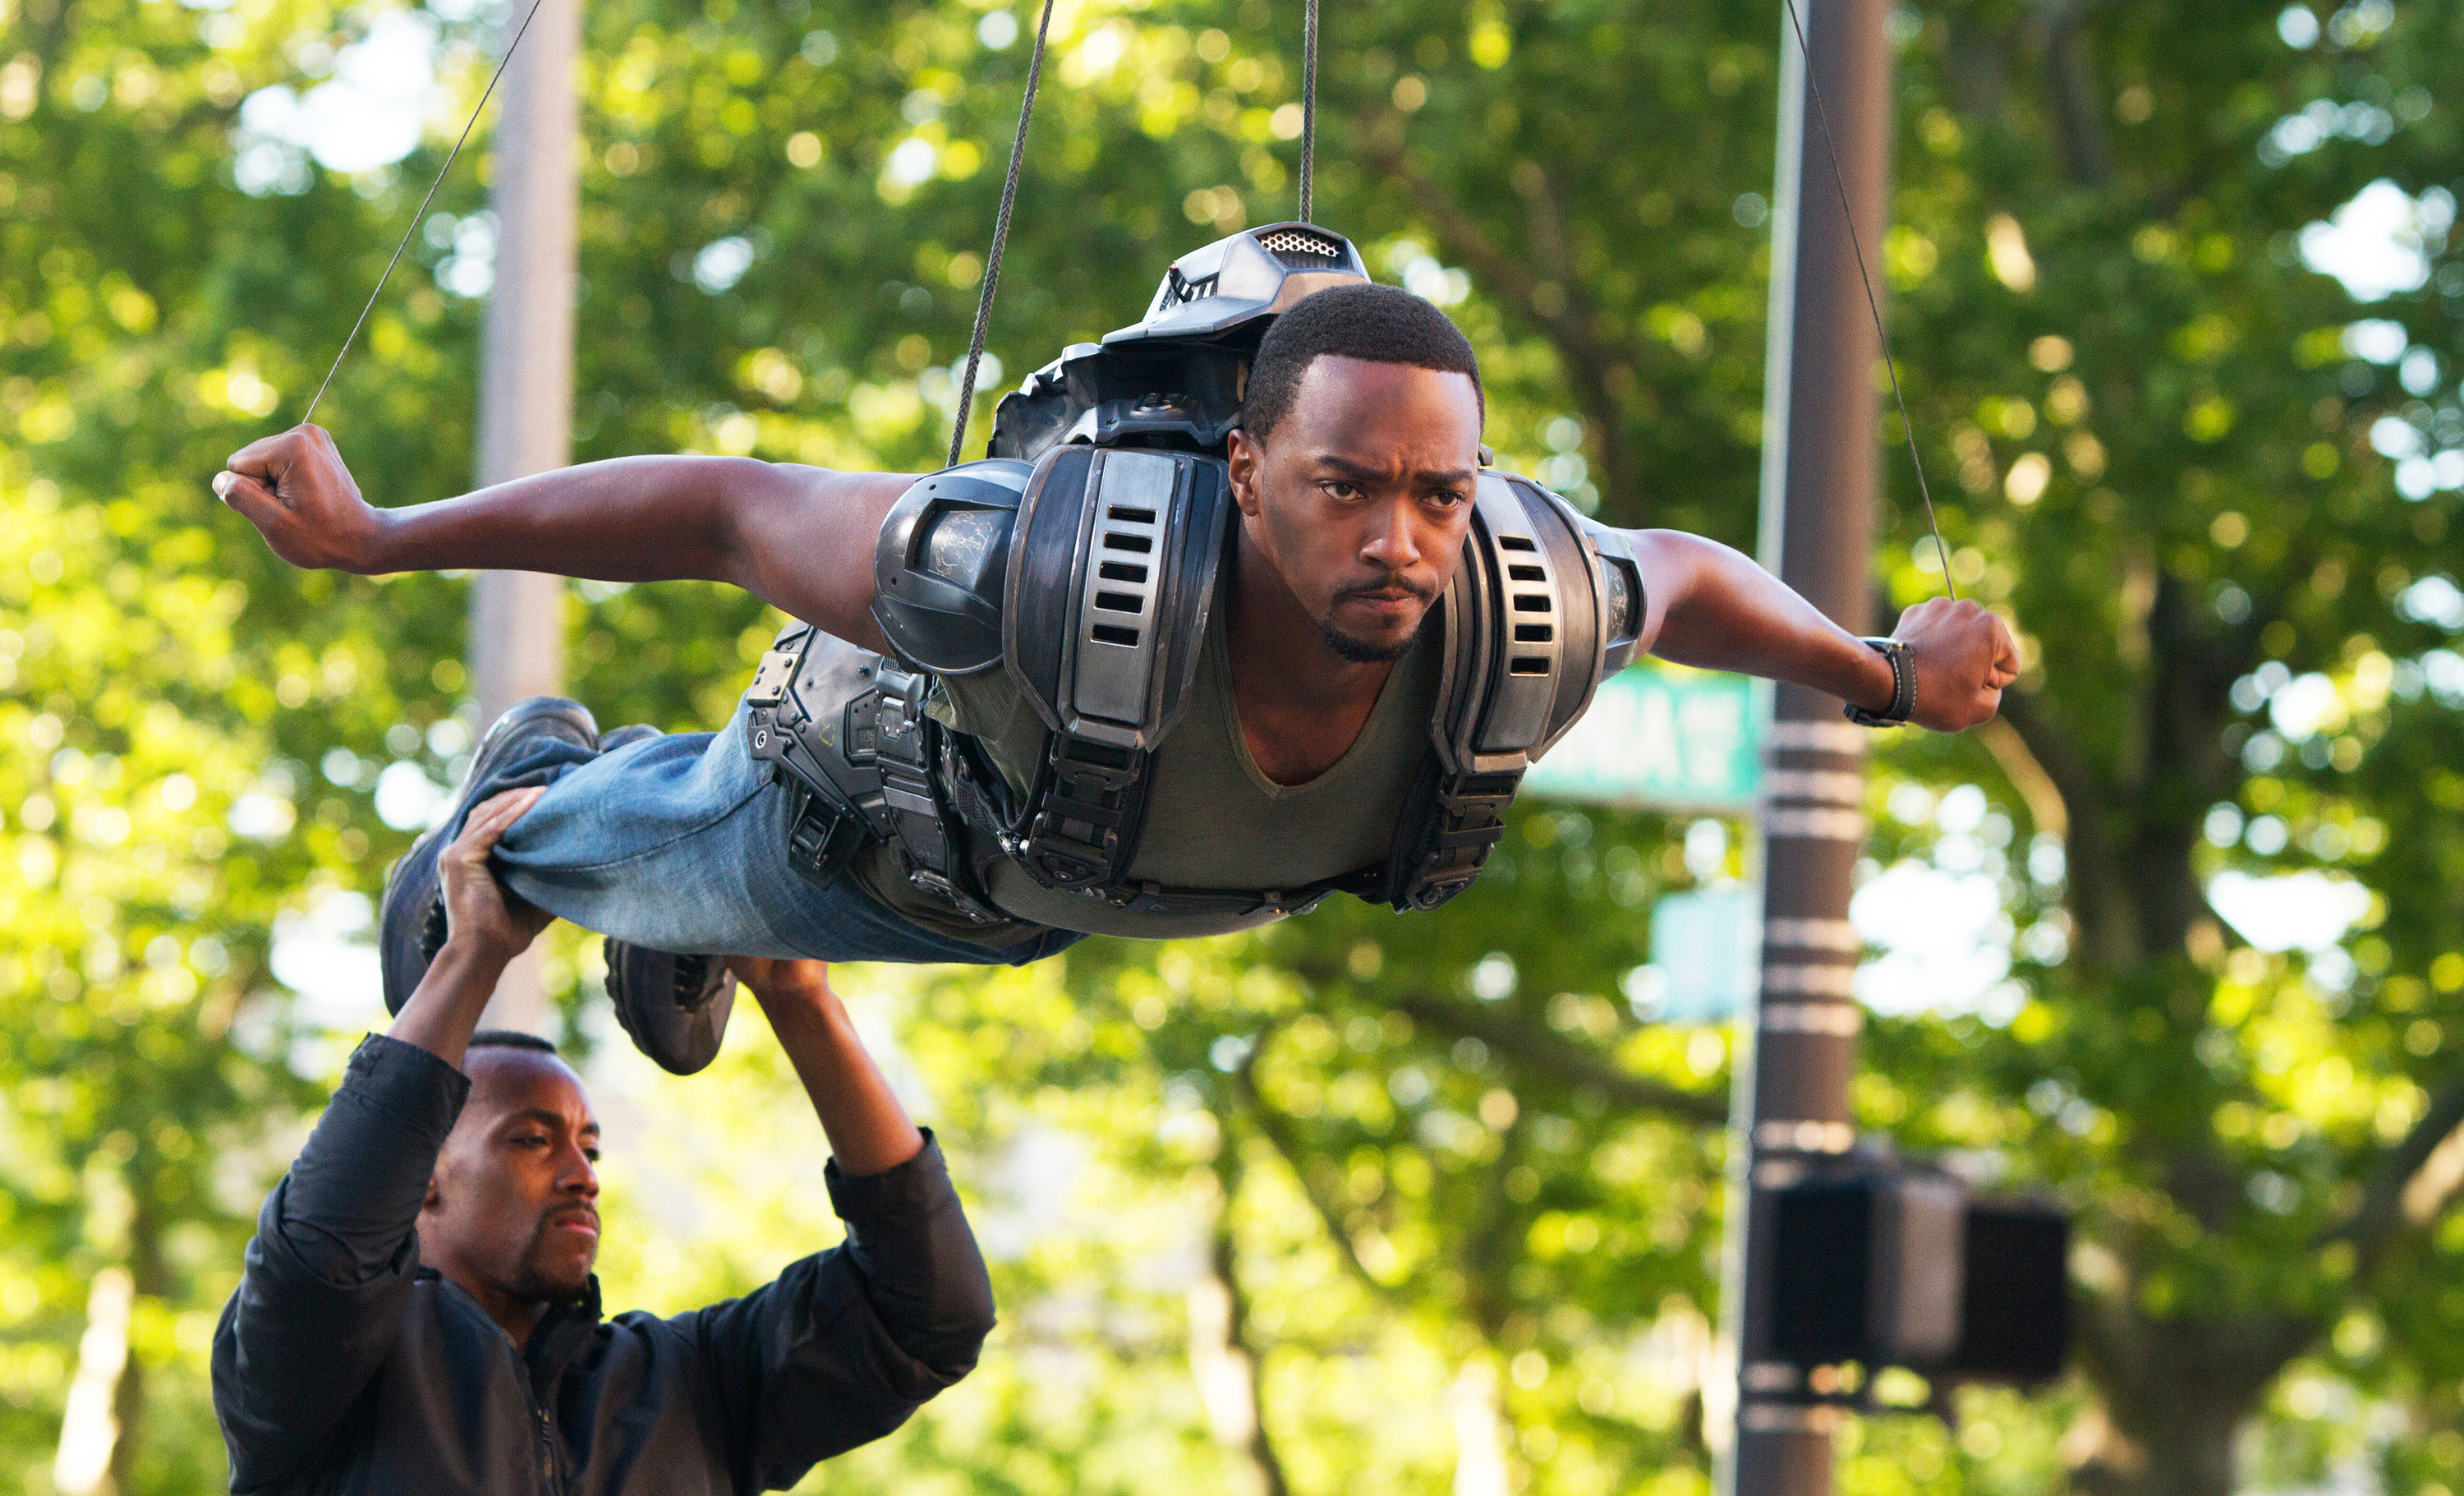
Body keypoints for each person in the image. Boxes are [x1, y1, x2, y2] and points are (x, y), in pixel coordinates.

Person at [214, 232, 2020, 1075]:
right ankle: (533, 790)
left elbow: (1686, 576)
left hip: (1066, 891)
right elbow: (723, 508)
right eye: (1347, 488)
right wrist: (385, 540)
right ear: (1245, 472)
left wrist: (1881, 672)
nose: (1401, 539)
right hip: (882, 836)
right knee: (620, 851)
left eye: (1439, 493)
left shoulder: (1514, 604)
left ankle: (694, 925)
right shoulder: (1047, 574)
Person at [211, 787, 995, 1494]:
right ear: (423, 1179)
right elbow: (320, 1245)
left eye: (589, 1147)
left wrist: (799, 997)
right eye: (532, 1140)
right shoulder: (322, 1373)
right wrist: (472, 951)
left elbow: (930, 1315)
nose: (582, 1174)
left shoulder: (691, 1384)